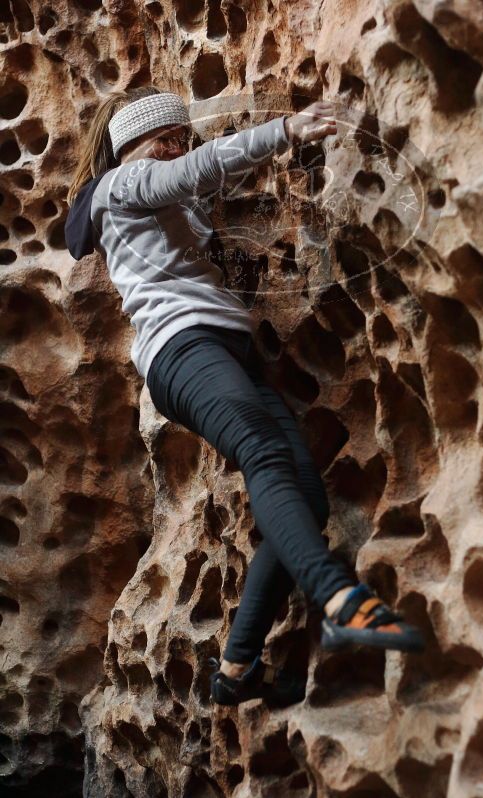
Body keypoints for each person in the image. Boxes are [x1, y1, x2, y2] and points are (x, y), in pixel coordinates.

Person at [65, 85, 424, 708]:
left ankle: (236, 669)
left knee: (306, 499)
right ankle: (338, 598)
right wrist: (285, 130)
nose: (177, 147)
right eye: (164, 139)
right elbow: (198, 169)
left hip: (222, 351)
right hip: (182, 350)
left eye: (181, 136)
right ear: (132, 148)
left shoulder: (157, 196)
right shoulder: (126, 182)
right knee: (262, 450)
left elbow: (199, 183)